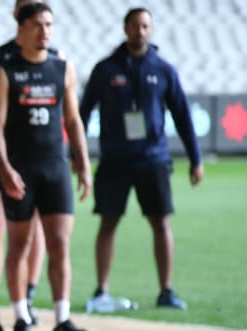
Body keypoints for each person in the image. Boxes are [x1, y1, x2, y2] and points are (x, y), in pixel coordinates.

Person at [80, 7, 204, 312]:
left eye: (145, 25)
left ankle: (166, 290)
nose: (140, 31)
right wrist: (77, 154)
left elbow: (183, 115)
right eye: (135, 25)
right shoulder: (105, 70)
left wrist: (195, 158)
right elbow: (81, 113)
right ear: (125, 28)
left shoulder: (163, 69)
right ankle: (101, 290)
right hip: (114, 160)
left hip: (153, 159)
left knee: (161, 222)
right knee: (108, 223)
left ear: (152, 29)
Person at [0, 2, 91, 331]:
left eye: (49, 24)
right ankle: (20, 318)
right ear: (23, 29)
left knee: (60, 244)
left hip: (55, 168)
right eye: (38, 25)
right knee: (19, 244)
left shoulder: (62, 68)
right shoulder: (6, 70)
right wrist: (4, 169)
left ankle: (62, 320)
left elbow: (73, 120)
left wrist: (83, 162)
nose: (45, 31)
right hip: (21, 170)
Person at [0, 0, 54, 321]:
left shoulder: (54, 60)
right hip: (7, 156)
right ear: (17, 16)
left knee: (36, 231)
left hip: (40, 161)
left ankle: (28, 297)